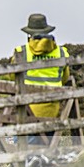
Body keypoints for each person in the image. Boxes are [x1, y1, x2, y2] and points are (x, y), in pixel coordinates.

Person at [12, 13, 71, 145]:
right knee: (46, 152)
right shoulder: (62, 52)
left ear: (29, 34)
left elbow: (13, 77)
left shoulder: (20, 52)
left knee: (23, 150)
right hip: (51, 112)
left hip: (27, 111)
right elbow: (65, 77)